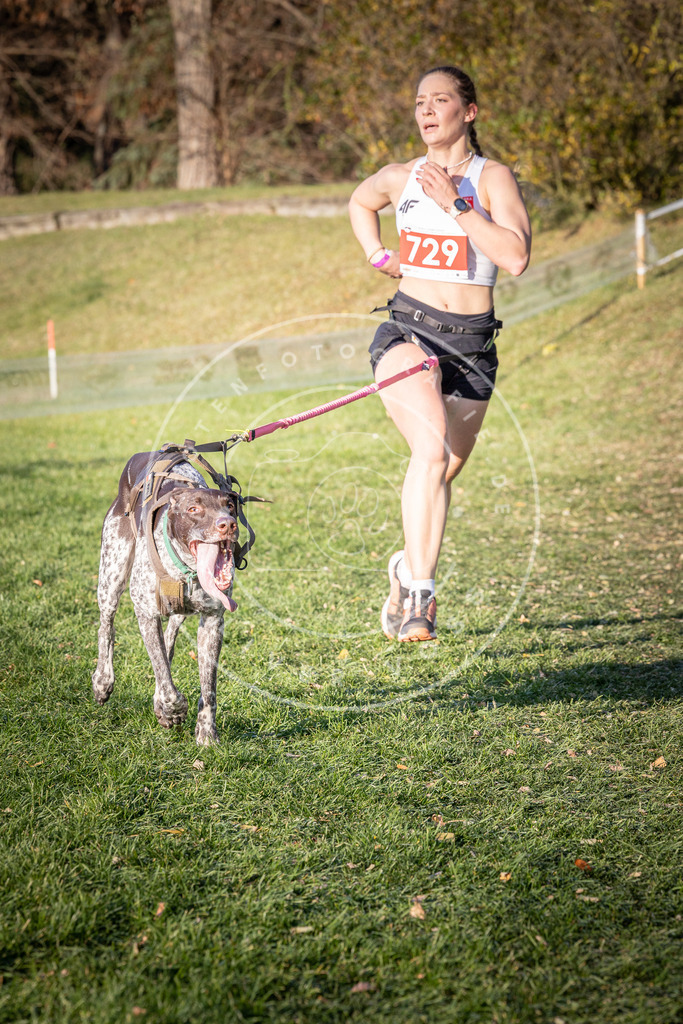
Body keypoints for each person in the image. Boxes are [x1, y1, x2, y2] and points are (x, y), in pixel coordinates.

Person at [348, 65, 531, 642]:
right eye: (420, 102)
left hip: (473, 344)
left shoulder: (493, 178)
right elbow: (359, 201)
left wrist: (456, 204)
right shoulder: (400, 175)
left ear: (469, 111)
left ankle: (404, 567)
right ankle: (421, 600)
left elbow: (516, 257)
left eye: (441, 100)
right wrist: (380, 257)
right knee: (428, 452)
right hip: (409, 331)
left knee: (444, 467)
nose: (426, 111)